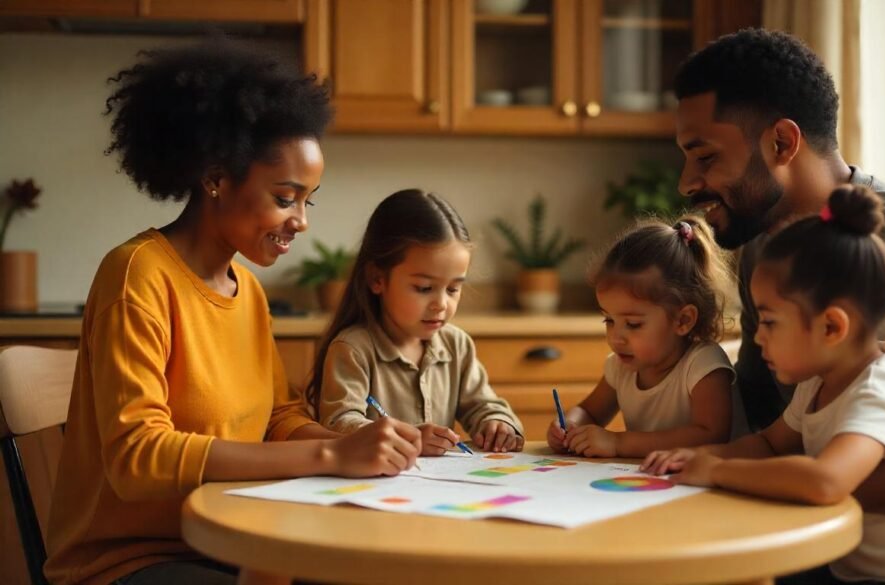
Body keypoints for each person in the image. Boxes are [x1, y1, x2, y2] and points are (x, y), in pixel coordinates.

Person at [43, 38, 423, 585]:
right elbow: (137, 459)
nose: (301, 221)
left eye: (308, 200)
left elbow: (276, 417)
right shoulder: (137, 276)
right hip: (133, 560)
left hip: (238, 534)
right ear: (216, 179)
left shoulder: (246, 288)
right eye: (286, 197)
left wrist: (356, 443)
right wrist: (327, 460)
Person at [670, 28, 885, 574]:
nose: (687, 183)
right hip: (824, 549)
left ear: (781, 144)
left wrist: (815, 483)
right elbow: (765, 420)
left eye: (706, 157)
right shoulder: (767, 249)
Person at [643, 185, 885, 584]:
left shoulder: (882, 392)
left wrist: (718, 471)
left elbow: (826, 481)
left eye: (770, 322)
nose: (757, 337)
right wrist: (696, 455)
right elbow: (770, 443)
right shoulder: (820, 381)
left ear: (832, 327)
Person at [307, 189, 524, 454]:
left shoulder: (457, 344)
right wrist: (407, 436)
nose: (441, 304)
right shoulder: (352, 349)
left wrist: (497, 423)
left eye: (453, 289)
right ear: (377, 279)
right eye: (423, 288)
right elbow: (339, 422)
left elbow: (483, 404)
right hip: (376, 487)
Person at [546, 216, 736, 458]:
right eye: (609, 320)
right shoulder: (620, 367)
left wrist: (618, 443)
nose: (615, 337)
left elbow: (711, 435)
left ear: (683, 320)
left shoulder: (703, 365)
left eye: (633, 324)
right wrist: (570, 425)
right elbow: (589, 412)